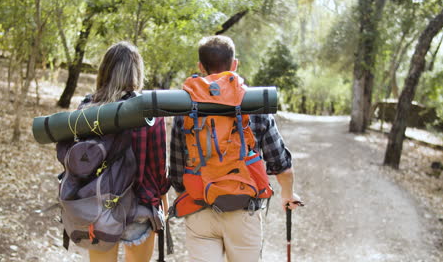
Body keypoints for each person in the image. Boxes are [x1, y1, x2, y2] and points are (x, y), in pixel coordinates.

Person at [169, 35, 300, 262]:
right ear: (235, 64)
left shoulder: (185, 109)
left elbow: (178, 174)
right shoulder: (254, 104)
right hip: (243, 212)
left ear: (200, 67)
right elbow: (282, 167)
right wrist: (288, 195)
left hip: (200, 210)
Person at [82, 41, 170, 262]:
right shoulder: (149, 112)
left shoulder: (86, 109)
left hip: (97, 207)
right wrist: (164, 206)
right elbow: (158, 167)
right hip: (139, 208)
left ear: (105, 71)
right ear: (137, 73)